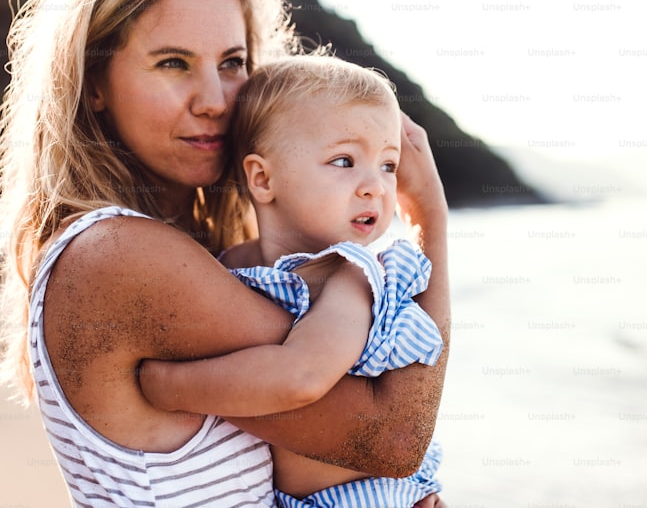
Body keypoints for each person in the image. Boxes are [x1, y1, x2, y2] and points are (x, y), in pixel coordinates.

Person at [0, 0, 450, 508]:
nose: (215, 100)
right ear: (95, 83)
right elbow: (393, 435)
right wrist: (431, 217)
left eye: (232, 62)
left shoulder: (203, 255)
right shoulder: (120, 256)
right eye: (173, 63)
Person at [143, 55, 445, 507]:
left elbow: (301, 377)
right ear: (262, 178)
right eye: (345, 160)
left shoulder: (350, 277)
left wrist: (167, 385)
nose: (375, 187)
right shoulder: (227, 263)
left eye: (388, 165)